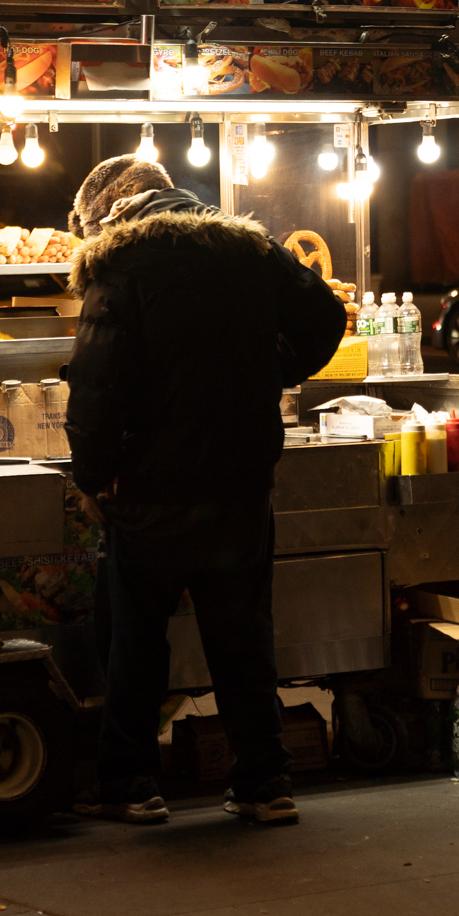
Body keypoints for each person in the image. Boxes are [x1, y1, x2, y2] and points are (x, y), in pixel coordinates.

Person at [63, 156, 346, 827]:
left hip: (151, 492)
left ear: (112, 213)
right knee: (242, 635)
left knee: (135, 641)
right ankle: (264, 782)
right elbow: (327, 317)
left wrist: (92, 475)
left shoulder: (119, 270)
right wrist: (267, 370)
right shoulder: (247, 251)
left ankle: (130, 785)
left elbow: (97, 390)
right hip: (239, 481)